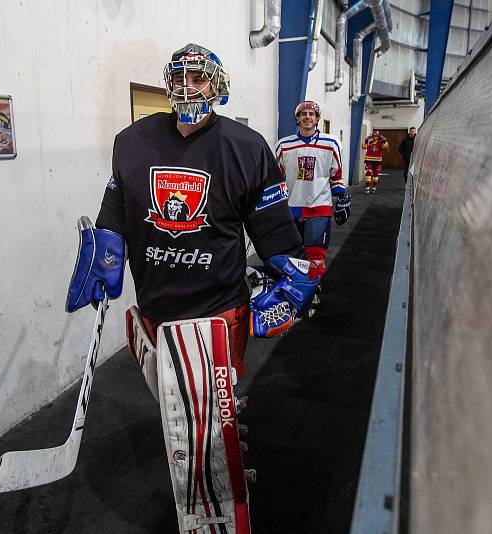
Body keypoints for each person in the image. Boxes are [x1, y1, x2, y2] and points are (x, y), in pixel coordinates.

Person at [66, 43, 318, 534]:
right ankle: (224, 428)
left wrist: (294, 280)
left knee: (198, 436)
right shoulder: (132, 142)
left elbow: (271, 230)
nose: (186, 87)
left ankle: (215, 513)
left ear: (218, 85)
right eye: (178, 78)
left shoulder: (246, 148)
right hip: (157, 306)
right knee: (180, 408)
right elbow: (117, 204)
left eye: (198, 78)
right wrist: (105, 246)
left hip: (217, 311)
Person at [274, 100, 351, 282]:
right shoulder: (283, 145)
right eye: (303, 114)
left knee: (316, 257)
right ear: (297, 119)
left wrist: (342, 196)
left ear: (317, 119)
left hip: (319, 206)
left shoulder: (331, 143)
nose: (307, 117)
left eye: (312, 114)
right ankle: (294, 291)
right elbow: (277, 178)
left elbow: (336, 174)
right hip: (291, 207)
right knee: (292, 256)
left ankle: (312, 293)